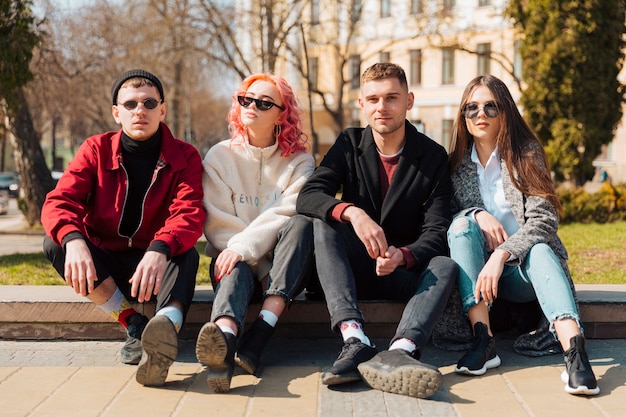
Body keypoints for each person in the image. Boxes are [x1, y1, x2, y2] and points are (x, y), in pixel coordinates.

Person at [296, 62, 458, 399]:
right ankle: (354, 340)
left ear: (409, 101)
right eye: (372, 99)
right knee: (325, 224)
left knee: (445, 265)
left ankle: (401, 350)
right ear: (361, 104)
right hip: (351, 267)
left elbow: (438, 228)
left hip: (401, 273)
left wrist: (404, 255)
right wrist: (352, 212)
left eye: (391, 98)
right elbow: (309, 196)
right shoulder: (348, 143)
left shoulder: (432, 155)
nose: (381, 107)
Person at [42, 69, 206, 387]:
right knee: (55, 243)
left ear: (162, 109)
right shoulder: (95, 149)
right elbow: (59, 201)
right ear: (117, 113)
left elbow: (189, 213)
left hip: (156, 266)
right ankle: (133, 323)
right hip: (109, 267)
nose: (139, 111)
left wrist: (159, 249)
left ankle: (165, 331)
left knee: (186, 254)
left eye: (148, 103)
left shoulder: (185, 156)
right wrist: (73, 239)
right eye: (130, 104)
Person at [447, 74, 599, 395]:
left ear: (505, 112)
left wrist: (502, 254)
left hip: (521, 273)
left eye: (491, 106)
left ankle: (575, 351)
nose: (481, 114)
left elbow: (544, 221)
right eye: (471, 108)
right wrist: (476, 213)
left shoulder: (525, 154)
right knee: (461, 225)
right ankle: (482, 339)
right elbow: (444, 217)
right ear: (463, 116)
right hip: (477, 280)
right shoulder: (457, 165)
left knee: (542, 249)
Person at [195, 73, 315, 393]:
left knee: (302, 225)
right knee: (232, 263)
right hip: (236, 266)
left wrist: (259, 261)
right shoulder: (219, 157)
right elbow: (218, 223)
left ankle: (257, 336)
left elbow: (288, 213)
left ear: (282, 114)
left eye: (264, 103)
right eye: (246, 99)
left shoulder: (300, 162)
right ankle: (224, 342)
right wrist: (252, 259)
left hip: (283, 270)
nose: (252, 107)